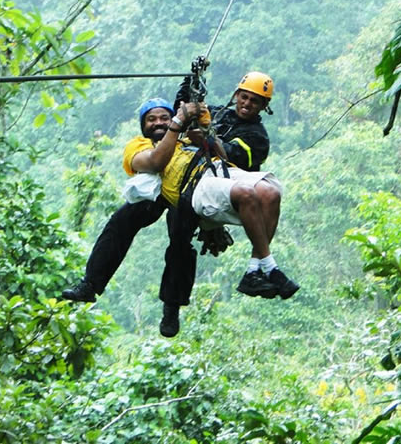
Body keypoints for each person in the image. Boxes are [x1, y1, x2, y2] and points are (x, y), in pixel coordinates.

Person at [62, 72, 298, 334]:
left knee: (180, 242)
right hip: (160, 191)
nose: (158, 123)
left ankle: (171, 308)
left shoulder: (252, 136)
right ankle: (90, 284)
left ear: (264, 106)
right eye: (151, 120)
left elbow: (232, 158)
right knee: (121, 223)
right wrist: (187, 94)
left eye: (163, 118)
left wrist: (203, 133)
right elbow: (160, 152)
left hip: (192, 188)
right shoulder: (141, 145)